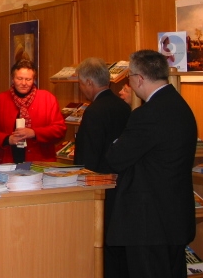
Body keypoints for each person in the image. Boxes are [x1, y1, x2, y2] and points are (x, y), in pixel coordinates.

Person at [106, 50, 198, 278]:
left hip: (149, 223)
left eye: (129, 77)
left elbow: (116, 157)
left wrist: (117, 142)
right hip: (175, 217)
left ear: (139, 79)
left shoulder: (147, 114)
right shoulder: (181, 106)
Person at [73, 57, 131, 278]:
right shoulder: (124, 107)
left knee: (102, 249)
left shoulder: (95, 111)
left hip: (99, 189)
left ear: (89, 82)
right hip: (123, 187)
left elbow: (88, 157)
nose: (81, 88)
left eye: (80, 83)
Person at [0, 59, 66, 163]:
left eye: (28, 79)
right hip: (7, 160)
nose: (24, 83)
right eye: (19, 78)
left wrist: (34, 133)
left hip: (40, 162)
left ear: (34, 79)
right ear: (13, 79)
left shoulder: (48, 99)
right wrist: (8, 139)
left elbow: (59, 129)